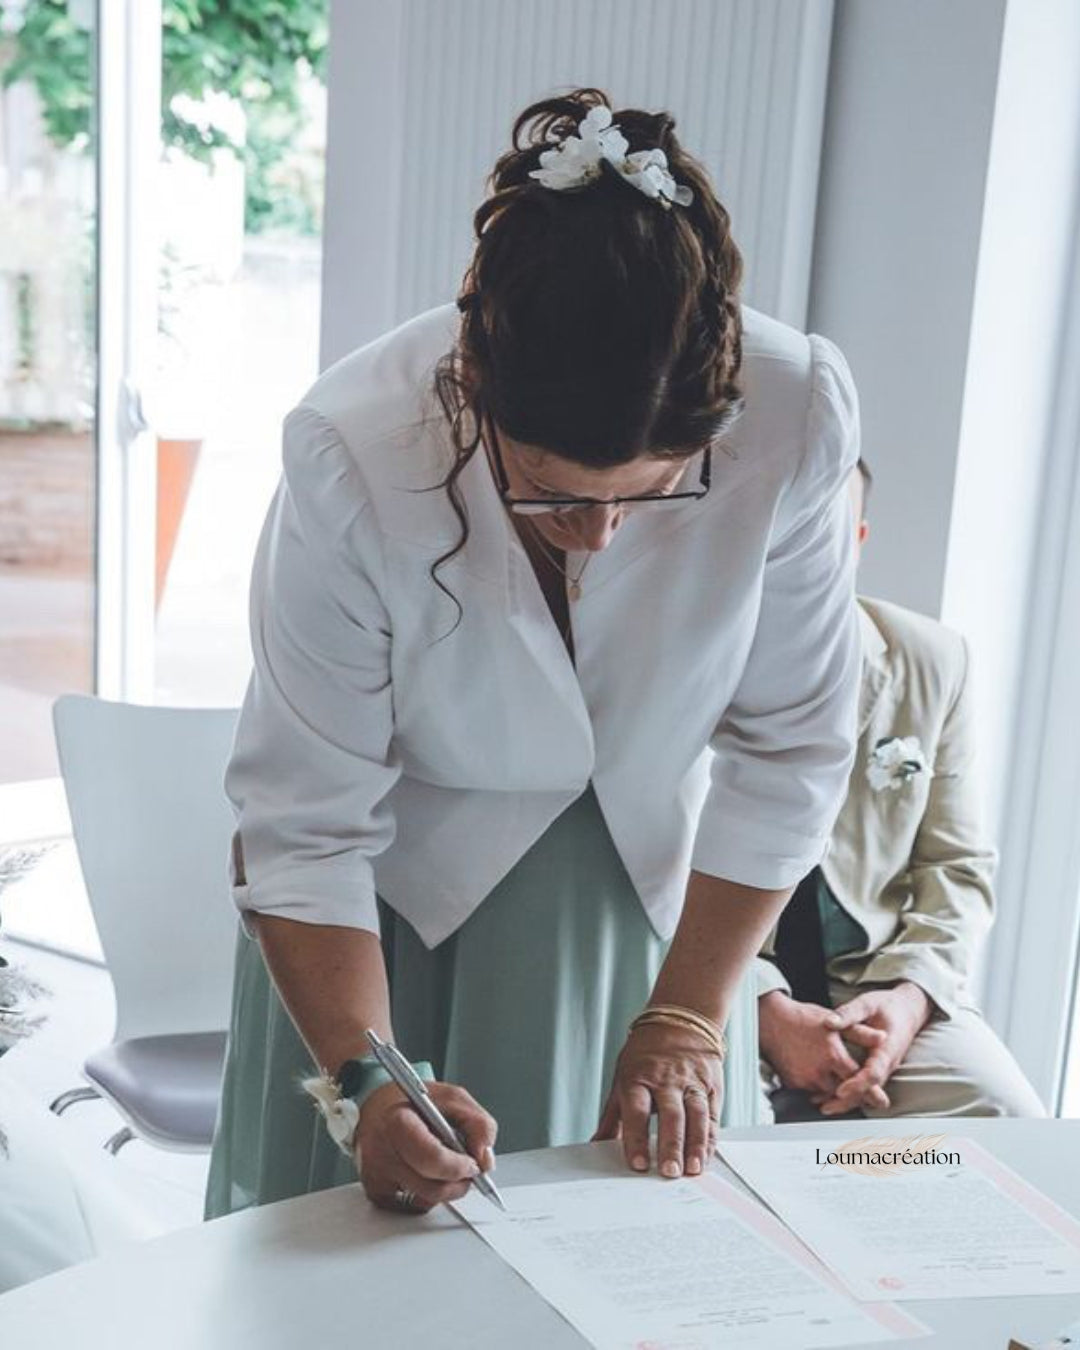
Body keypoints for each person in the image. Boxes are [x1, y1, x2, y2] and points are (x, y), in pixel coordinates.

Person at [205, 88, 863, 1221]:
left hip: (654, 919)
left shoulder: (797, 408)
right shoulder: (351, 445)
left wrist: (688, 1016)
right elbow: (303, 821)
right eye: (549, 492)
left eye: (650, 497)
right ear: (474, 375)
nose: (600, 534)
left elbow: (793, 748)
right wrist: (366, 1081)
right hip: (382, 928)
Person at [757, 460, 1046, 1120]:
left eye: (821, 531)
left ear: (857, 540)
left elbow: (958, 867)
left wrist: (910, 997)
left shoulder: (934, 658)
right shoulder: (690, 661)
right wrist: (763, 1007)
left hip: (880, 981)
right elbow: (654, 873)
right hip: (732, 987)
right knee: (714, 1138)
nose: (798, 549)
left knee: (1004, 1118)